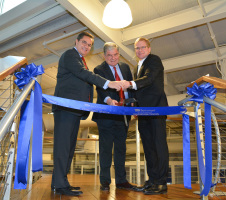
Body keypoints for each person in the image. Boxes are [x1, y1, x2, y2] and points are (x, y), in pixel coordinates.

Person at [51, 32, 123, 196]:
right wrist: (108, 83)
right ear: (76, 41)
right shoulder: (70, 55)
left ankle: (61, 183)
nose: (86, 46)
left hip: (74, 110)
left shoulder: (79, 59)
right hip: (65, 109)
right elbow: (85, 75)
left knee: (69, 149)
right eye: (84, 42)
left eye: (89, 45)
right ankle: (59, 184)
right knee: (63, 147)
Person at [122, 37, 169, 195]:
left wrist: (129, 84)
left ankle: (161, 183)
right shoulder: (136, 67)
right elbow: (138, 90)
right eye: (137, 48)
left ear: (149, 49)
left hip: (156, 111)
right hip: (142, 113)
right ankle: (153, 180)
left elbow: (148, 80)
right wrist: (132, 103)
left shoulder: (154, 60)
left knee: (158, 146)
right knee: (148, 148)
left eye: (142, 47)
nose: (140, 50)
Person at [92, 42, 139, 191]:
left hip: (123, 115)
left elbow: (131, 88)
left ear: (119, 54)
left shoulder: (125, 68)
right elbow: (100, 89)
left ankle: (121, 181)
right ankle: (105, 181)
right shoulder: (98, 69)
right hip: (106, 114)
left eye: (115, 55)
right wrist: (108, 101)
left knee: (121, 148)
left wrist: (132, 102)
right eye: (109, 55)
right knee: (106, 148)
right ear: (104, 56)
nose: (113, 58)